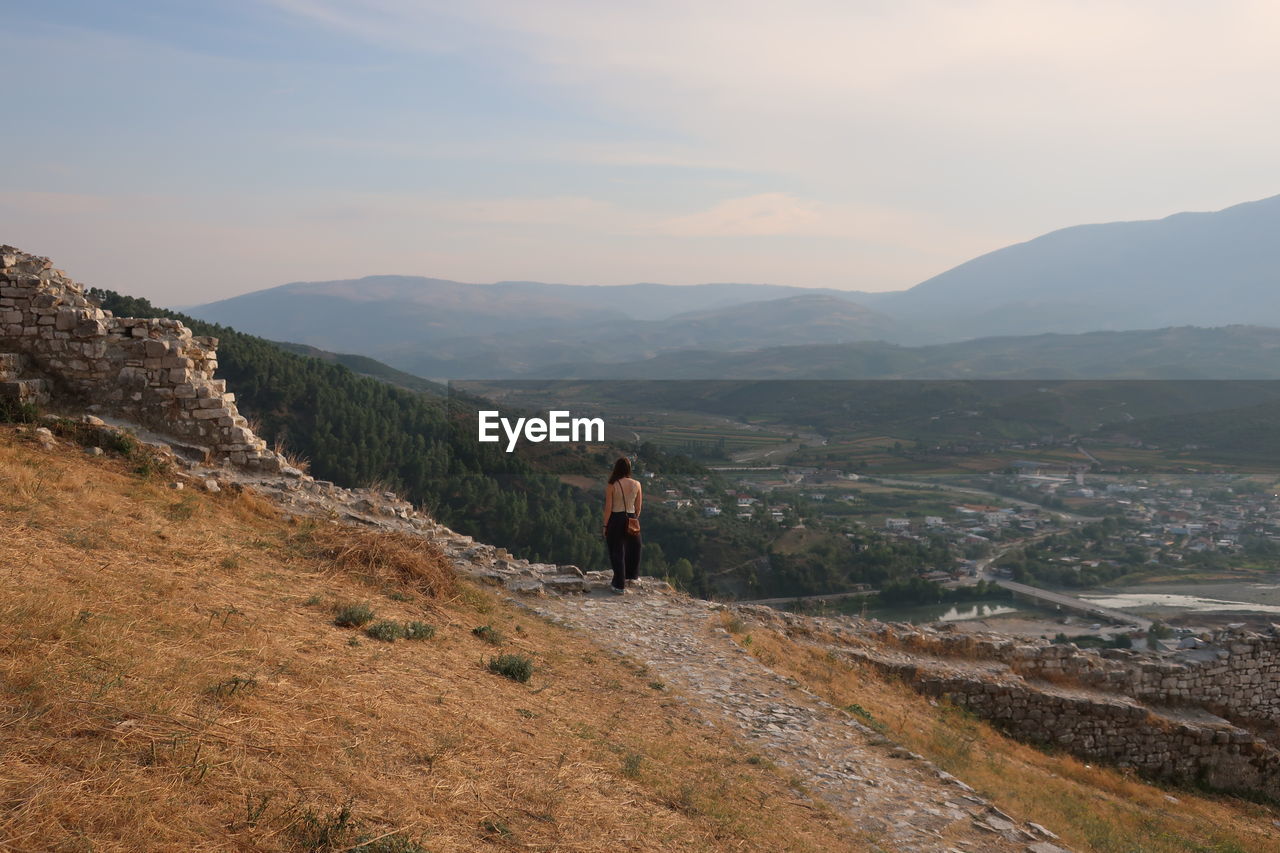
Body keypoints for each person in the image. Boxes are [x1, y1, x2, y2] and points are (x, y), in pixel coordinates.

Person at [603, 456, 643, 594]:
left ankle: (619, 584)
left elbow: (608, 507)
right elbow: (638, 507)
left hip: (616, 518)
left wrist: (605, 526)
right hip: (631, 517)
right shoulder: (637, 484)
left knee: (617, 551)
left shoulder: (612, 484)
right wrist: (633, 518)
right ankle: (632, 577)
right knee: (634, 548)